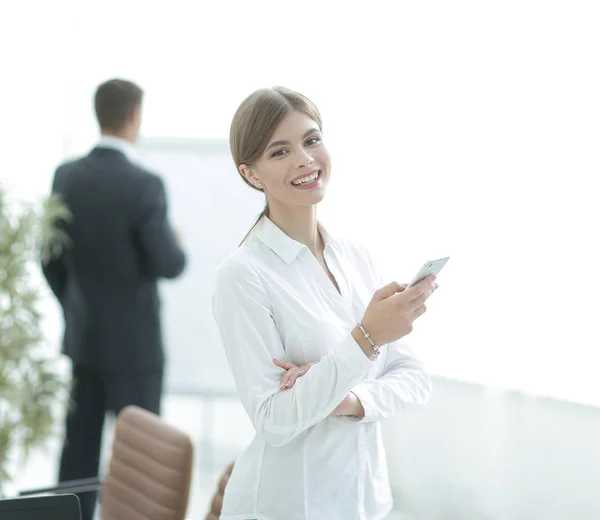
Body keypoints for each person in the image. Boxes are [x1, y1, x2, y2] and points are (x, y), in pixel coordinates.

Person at [212, 86, 436, 520]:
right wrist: (368, 338)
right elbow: (274, 421)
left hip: (363, 500)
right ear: (251, 174)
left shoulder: (357, 256)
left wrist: (343, 399)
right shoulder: (243, 276)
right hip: (287, 504)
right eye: (280, 152)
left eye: (311, 140)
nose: (304, 159)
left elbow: (414, 379)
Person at [42, 78, 186, 520]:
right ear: (133, 118)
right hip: (136, 351)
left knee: (77, 457)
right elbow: (169, 263)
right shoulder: (145, 185)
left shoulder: (66, 176)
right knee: (142, 464)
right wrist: (175, 243)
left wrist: (74, 306)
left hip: (85, 342)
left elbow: (50, 258)